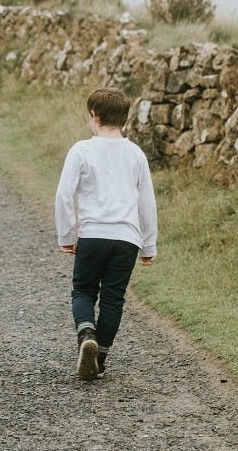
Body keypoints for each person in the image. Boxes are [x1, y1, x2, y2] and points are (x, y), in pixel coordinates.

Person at [55, 87, 157, 380]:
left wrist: (67, 235)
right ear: (123, 119)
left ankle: (86, 332)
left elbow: (64, 195)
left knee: (84, 290)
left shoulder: (81, 150)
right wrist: (149, 244)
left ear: (94, 116)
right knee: (114, 299)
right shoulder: (136, 154)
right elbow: (146, 202)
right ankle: (99, 357)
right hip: (128, 239)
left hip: (93, 234)